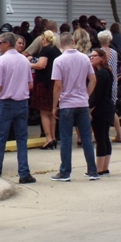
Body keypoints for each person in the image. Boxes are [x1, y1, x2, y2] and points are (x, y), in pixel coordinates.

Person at [51, 31, 99, 181]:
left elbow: (58, 85)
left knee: (66, 139)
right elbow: (93, 79)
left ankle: (65, 172)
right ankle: (92, 170)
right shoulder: (84, 58)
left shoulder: (59, 61)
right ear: (73, 41)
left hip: (67, 103)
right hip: (82, 102)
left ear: (60, 44)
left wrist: (54, 105)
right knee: (86, 137)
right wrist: (86, 95)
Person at [0, 32, 34, 182]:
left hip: (6, 102)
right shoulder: (24, 60)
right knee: (22, 139)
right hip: (22, 102)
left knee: (1, 138)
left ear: (7, 43)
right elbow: (30, 84)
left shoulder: (1, 61)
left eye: (0, 43)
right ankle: (24, 172)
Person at [29, 30, 62, 149]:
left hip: (44, 84)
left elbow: (41, 64)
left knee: (44, 113)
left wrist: (29, 64)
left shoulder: (45, 50)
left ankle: (48, 138)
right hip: (53, 83)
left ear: (43, 39)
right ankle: (53, 137)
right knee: (52, 113)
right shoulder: (56, 50)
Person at [89, 47, 115, 174]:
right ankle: (104, 167)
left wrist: (89, 110)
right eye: (91, 56)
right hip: (107, 107)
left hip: (100, 109)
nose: (91, 58)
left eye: (94, 56)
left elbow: (96, 96)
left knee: (100, 138)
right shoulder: (107, 72)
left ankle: (99, 168)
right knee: (104, 137)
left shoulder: (100, 74)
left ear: (101, 58)